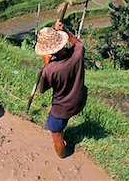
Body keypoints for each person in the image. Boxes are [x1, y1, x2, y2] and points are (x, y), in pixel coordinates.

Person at [35, 21, 88, 158]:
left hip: (62, 106)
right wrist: (65, 31)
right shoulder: (77, 54)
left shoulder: (50, 70)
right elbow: (79, 44)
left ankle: (63, 154)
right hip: (79, 99)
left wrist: (46, 63)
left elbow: (43, 88)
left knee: (55, 131)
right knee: (63, 120)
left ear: (48, 52)